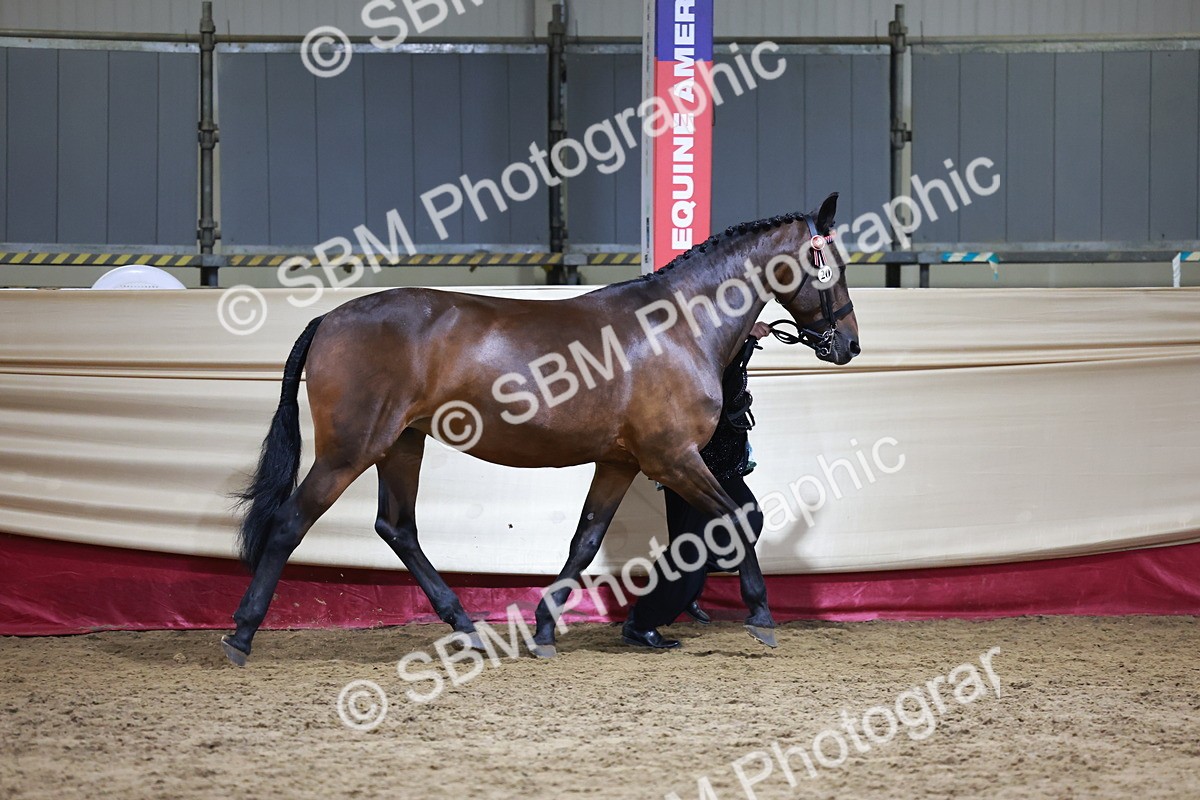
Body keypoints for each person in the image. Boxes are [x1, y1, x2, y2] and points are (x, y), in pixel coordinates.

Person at [622, 321, 774, 649]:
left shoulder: (714, 332)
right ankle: (645, 620)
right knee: (720, 532)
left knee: (696, 543)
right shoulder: (697, 339)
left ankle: (669, 600)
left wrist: (745, 333)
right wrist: (743, 335)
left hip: (716, 456)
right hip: (701, 459)